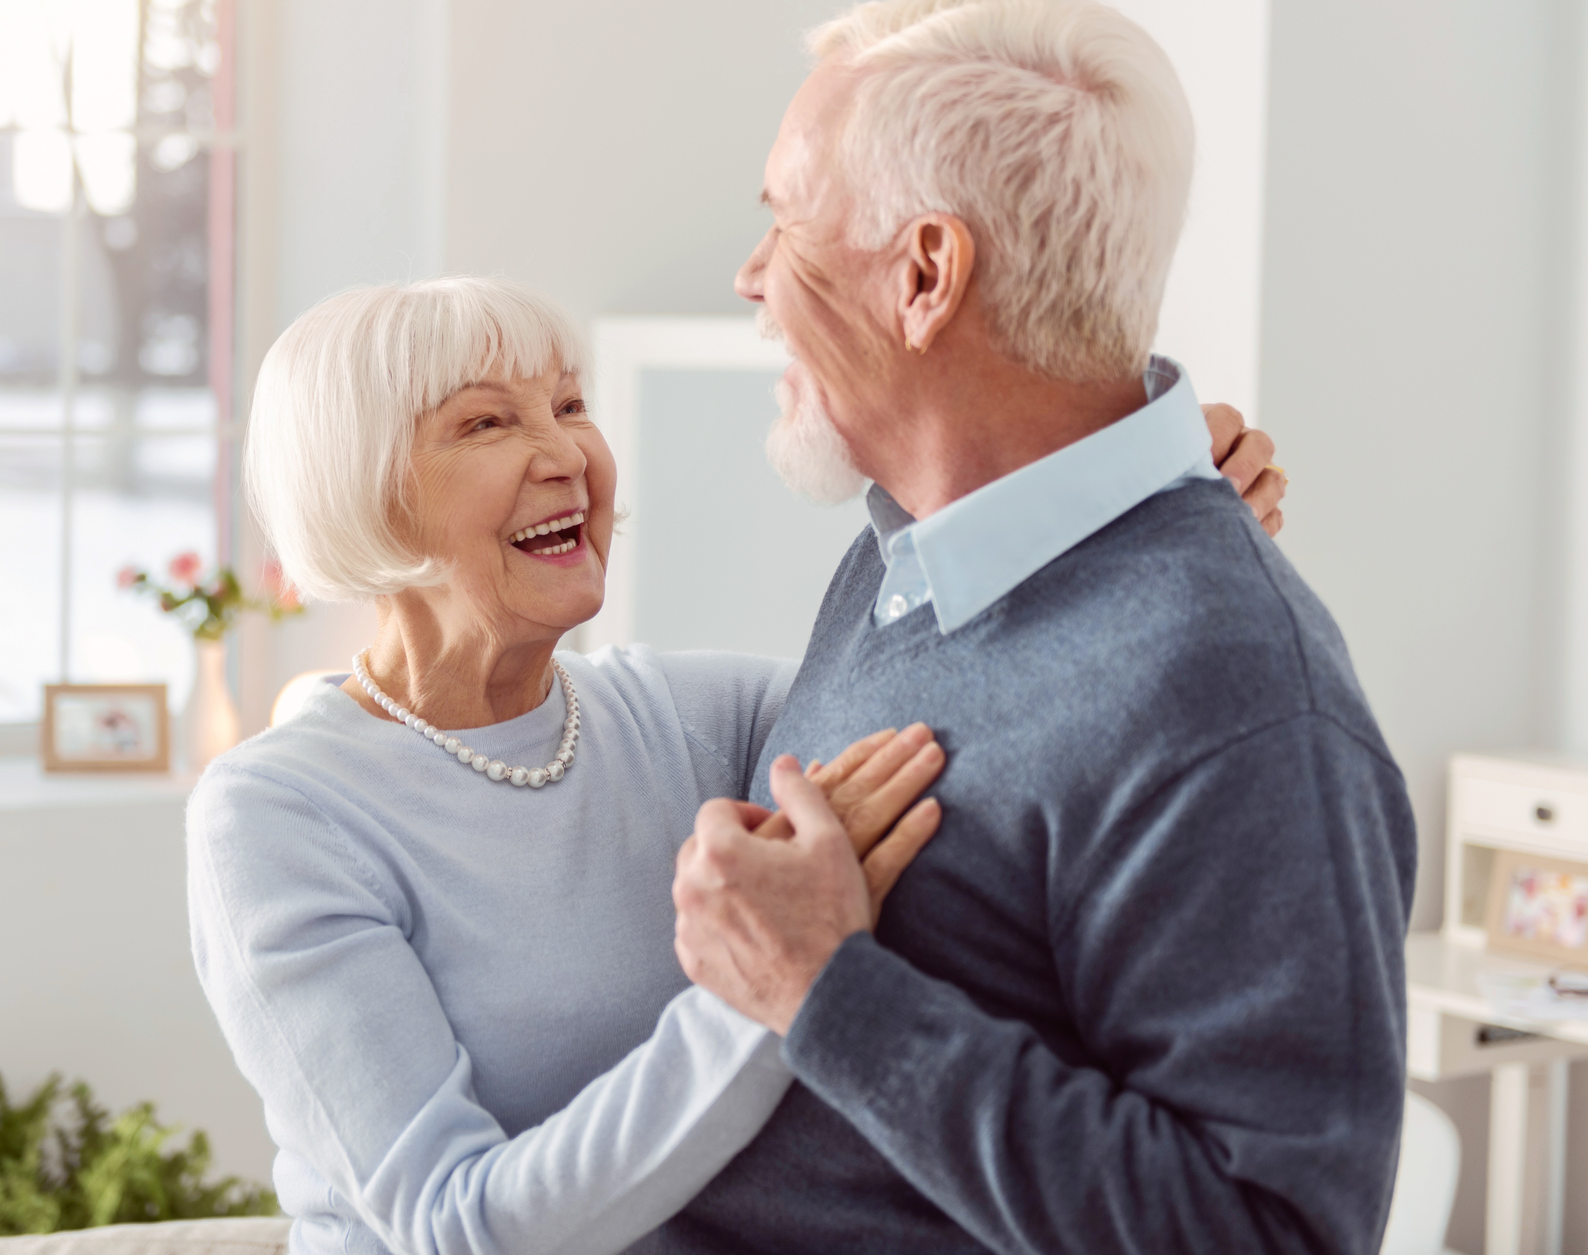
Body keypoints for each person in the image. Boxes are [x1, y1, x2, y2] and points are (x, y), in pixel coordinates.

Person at [187, 270, 1284, 1255]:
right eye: (485, 422)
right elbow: (455, 1226)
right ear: (368, 496)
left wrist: (1142, 526)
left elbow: (977, 716)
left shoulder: (686, 713)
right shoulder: (278, 812)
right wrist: (778, 981)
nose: (566, 453)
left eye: (570, 404)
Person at [665, 0, 1415, 1255]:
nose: (748, 277)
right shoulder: (904, 560)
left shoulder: (1233, 694)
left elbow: (1269, 1233)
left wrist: (828, 993)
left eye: (783, 222)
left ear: (924, 274)